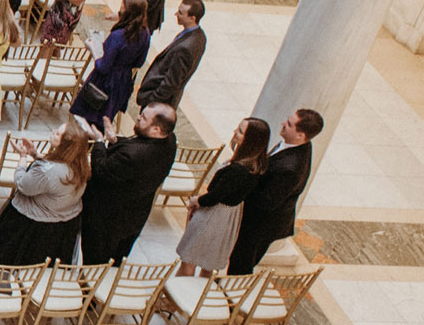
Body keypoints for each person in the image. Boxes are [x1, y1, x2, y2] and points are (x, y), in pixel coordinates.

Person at [78, 102, 180, 263]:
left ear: (156, 129)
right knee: (116, 260)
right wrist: (114, 140)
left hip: (108, 220)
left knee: (95, 263)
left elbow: (101, 170)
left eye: (144, 118)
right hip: (135, 216)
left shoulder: (133, 156)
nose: (138, 117)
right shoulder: (170, 141)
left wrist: (99, 141)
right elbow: (136, 148)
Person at [229, 108, 320, 275]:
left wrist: (239, 192)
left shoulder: (291, 169)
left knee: (240, 263)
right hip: (261, 219)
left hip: (261, 224)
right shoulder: (297, 145)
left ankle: (227, 294)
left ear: (301, 135)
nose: (283, 123)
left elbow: (267, 201)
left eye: (290, 124)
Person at [0, 122, 92, 266]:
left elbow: (23, 184)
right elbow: (56, 170)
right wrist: (35, 154)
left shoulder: (46, 171)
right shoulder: (81, 164)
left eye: (57, 133)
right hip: (64, 224)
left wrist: (23, 157)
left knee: (12, 260)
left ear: (64, 144)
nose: (53, 130)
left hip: (34, 225)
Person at [176, 117, 269, 276]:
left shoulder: (237, 171)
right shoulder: (258, 164)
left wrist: (195, 201)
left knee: (190, 258)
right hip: (228, 217)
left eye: (240, 131)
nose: (235, 132)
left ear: (250, 141)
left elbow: (213, 197)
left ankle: (179, 292)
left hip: (213, 215)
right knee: (208, 264)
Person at [71, 0, 154, 129]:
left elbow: (103, 67)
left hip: (105, 83)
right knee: (104, 121)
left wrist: (94, 50)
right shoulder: (145, 34)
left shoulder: (118, 36)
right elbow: (139, 62)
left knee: (87, 121)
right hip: (122, 82)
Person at [136, 0, 208, 111]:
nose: (176, 14)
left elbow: (170, 83)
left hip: (160, 103)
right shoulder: (200, 36)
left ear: (192, 18)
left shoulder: (184, 49)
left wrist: (151, 100)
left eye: (180, 13)